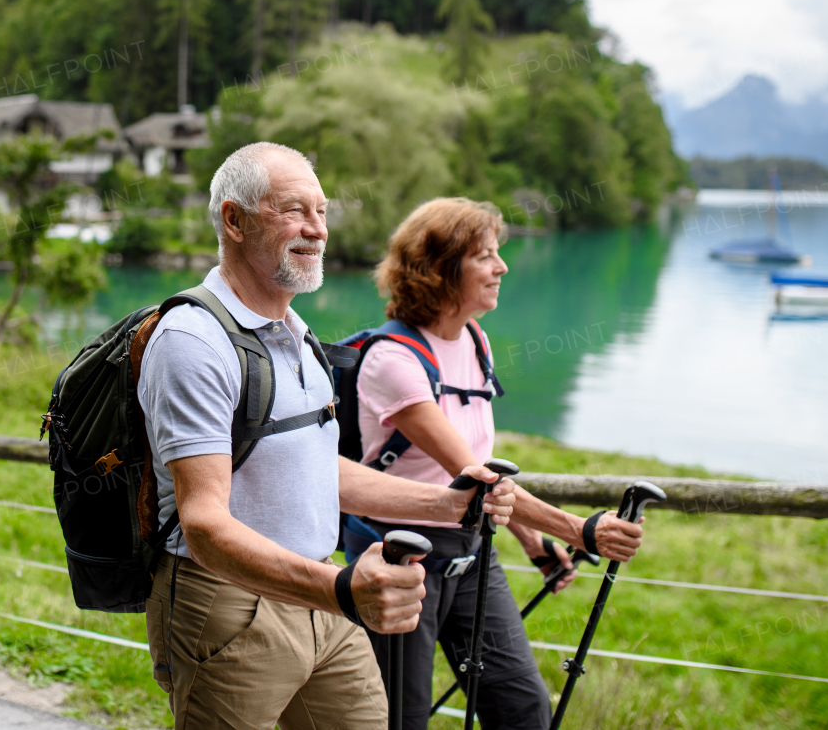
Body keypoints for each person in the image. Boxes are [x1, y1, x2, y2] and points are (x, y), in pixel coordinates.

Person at [137, 144, 519, 730]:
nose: (316, 229)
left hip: (324, 599)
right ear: (233, 220)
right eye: (293, 210)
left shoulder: (296, 334)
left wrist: (448, 502)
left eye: (322, 211)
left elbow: (318, 469)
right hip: (231, 603)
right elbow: (204, 524)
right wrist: (342, 589)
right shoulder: (194, 340)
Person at [349, 197, 646, 730]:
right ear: (440, 270)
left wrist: (534, 543)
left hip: (471, 552)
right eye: (484, 256)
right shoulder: (393, 359)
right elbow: (477, 479)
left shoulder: (474, 339)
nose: (502, 267)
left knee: (522, 710)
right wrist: (579, 529)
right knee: (399, 719)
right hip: (397, 554)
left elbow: (481, 460)